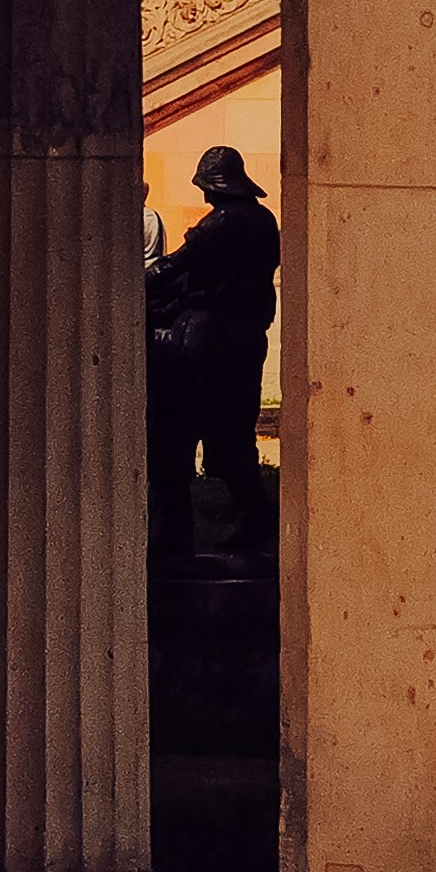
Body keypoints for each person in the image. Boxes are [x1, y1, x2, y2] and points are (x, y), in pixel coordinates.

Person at [153, 144, 279, 605]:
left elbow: (176, 268)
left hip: (205, 334)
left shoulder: (222, 223)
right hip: (248, 337)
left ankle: (175, 535)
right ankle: (255, 515)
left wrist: (132, 277)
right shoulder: (265, 222)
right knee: (233, 435)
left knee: (176, 431)